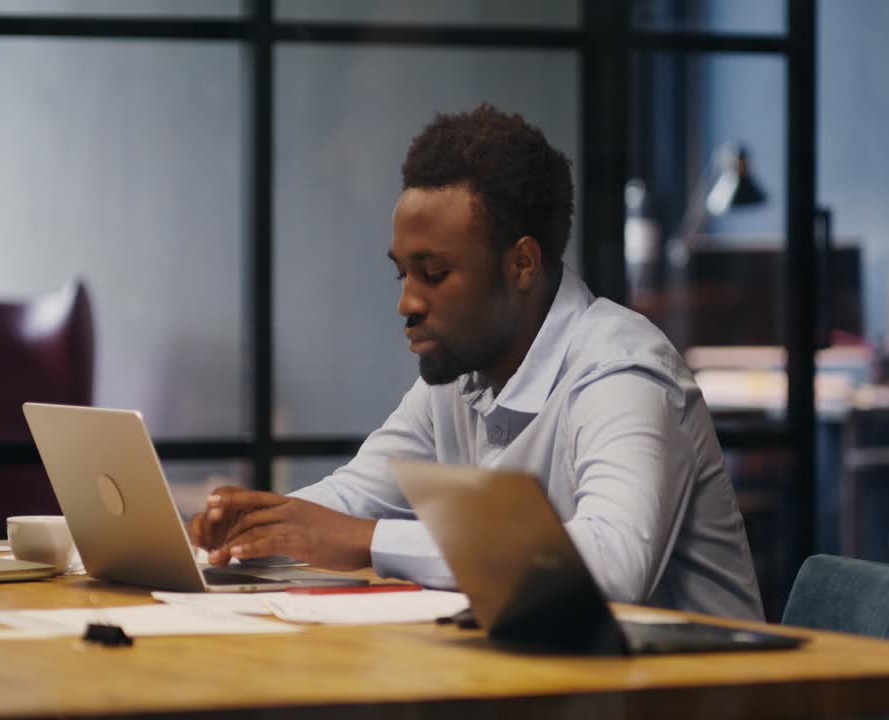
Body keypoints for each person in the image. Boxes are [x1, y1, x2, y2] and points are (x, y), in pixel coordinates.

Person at [188, 103, 763, 620]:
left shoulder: (620, 372)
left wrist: (367, 541)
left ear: (521, 264)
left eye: (434, 275)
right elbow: (353, 497)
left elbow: (613, 565)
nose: (407, 302)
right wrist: (252, 526)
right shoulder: (460, 372)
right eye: (402, 273)